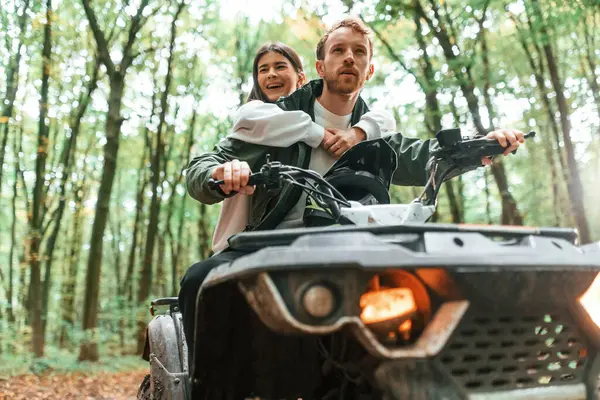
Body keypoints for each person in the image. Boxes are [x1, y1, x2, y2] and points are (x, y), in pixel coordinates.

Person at [180, 17, 525, 371]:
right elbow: (203, 166)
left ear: (369, 69)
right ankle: (209, 384)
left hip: (355, 248)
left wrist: (482, 147)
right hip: (274, 244)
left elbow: (426, 157)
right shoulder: (275, 118)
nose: (349, 58)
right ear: (319, 66)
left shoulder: (374, 133)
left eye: (359, 52)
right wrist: (218, 173)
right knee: (199, 281)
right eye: (339, 50)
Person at [212, 41, 395, 253]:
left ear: (301, 78)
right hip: (249, 242)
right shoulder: (254, 115)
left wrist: (358, 132)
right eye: (263, 70)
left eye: (280, 67)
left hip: (328, 239)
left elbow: (385, 119)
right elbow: (251, 116)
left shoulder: (334, 114)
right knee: (196, 278)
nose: (271, 74)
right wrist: (318, 134)